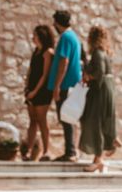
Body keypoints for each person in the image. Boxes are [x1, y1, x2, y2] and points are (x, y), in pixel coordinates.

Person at [79, 26, 118, 172]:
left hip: (100, 91)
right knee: (101, 122)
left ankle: (98, 159)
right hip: (107, 89)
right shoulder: (105, 52)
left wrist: (88, 75)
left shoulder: (97, 53)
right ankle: (108, 145)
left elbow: (99, 72)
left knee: (95, 123)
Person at [47, 10, 82, 162]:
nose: (53, 25)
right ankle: (71, 151)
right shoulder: (73, 36)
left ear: (57, 22)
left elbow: (64, 61)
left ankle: (70, 152)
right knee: (69, 118)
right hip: (72, 84)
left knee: (66, 118)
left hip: (65, 84)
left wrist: (57, 86)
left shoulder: (65, 37)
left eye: (54, 22)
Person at [24, 25, 54, 161]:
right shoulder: (36, 51)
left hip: (42, 91)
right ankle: (29, 151)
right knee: (32, 121)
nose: (33, 38)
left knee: (42, 120)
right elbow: (31, 71)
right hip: (31, 90)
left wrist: (35, 91)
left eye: (35, 35)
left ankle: (46, 151)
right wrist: (27, 87)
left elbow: (45, 74)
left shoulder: (48, 53)